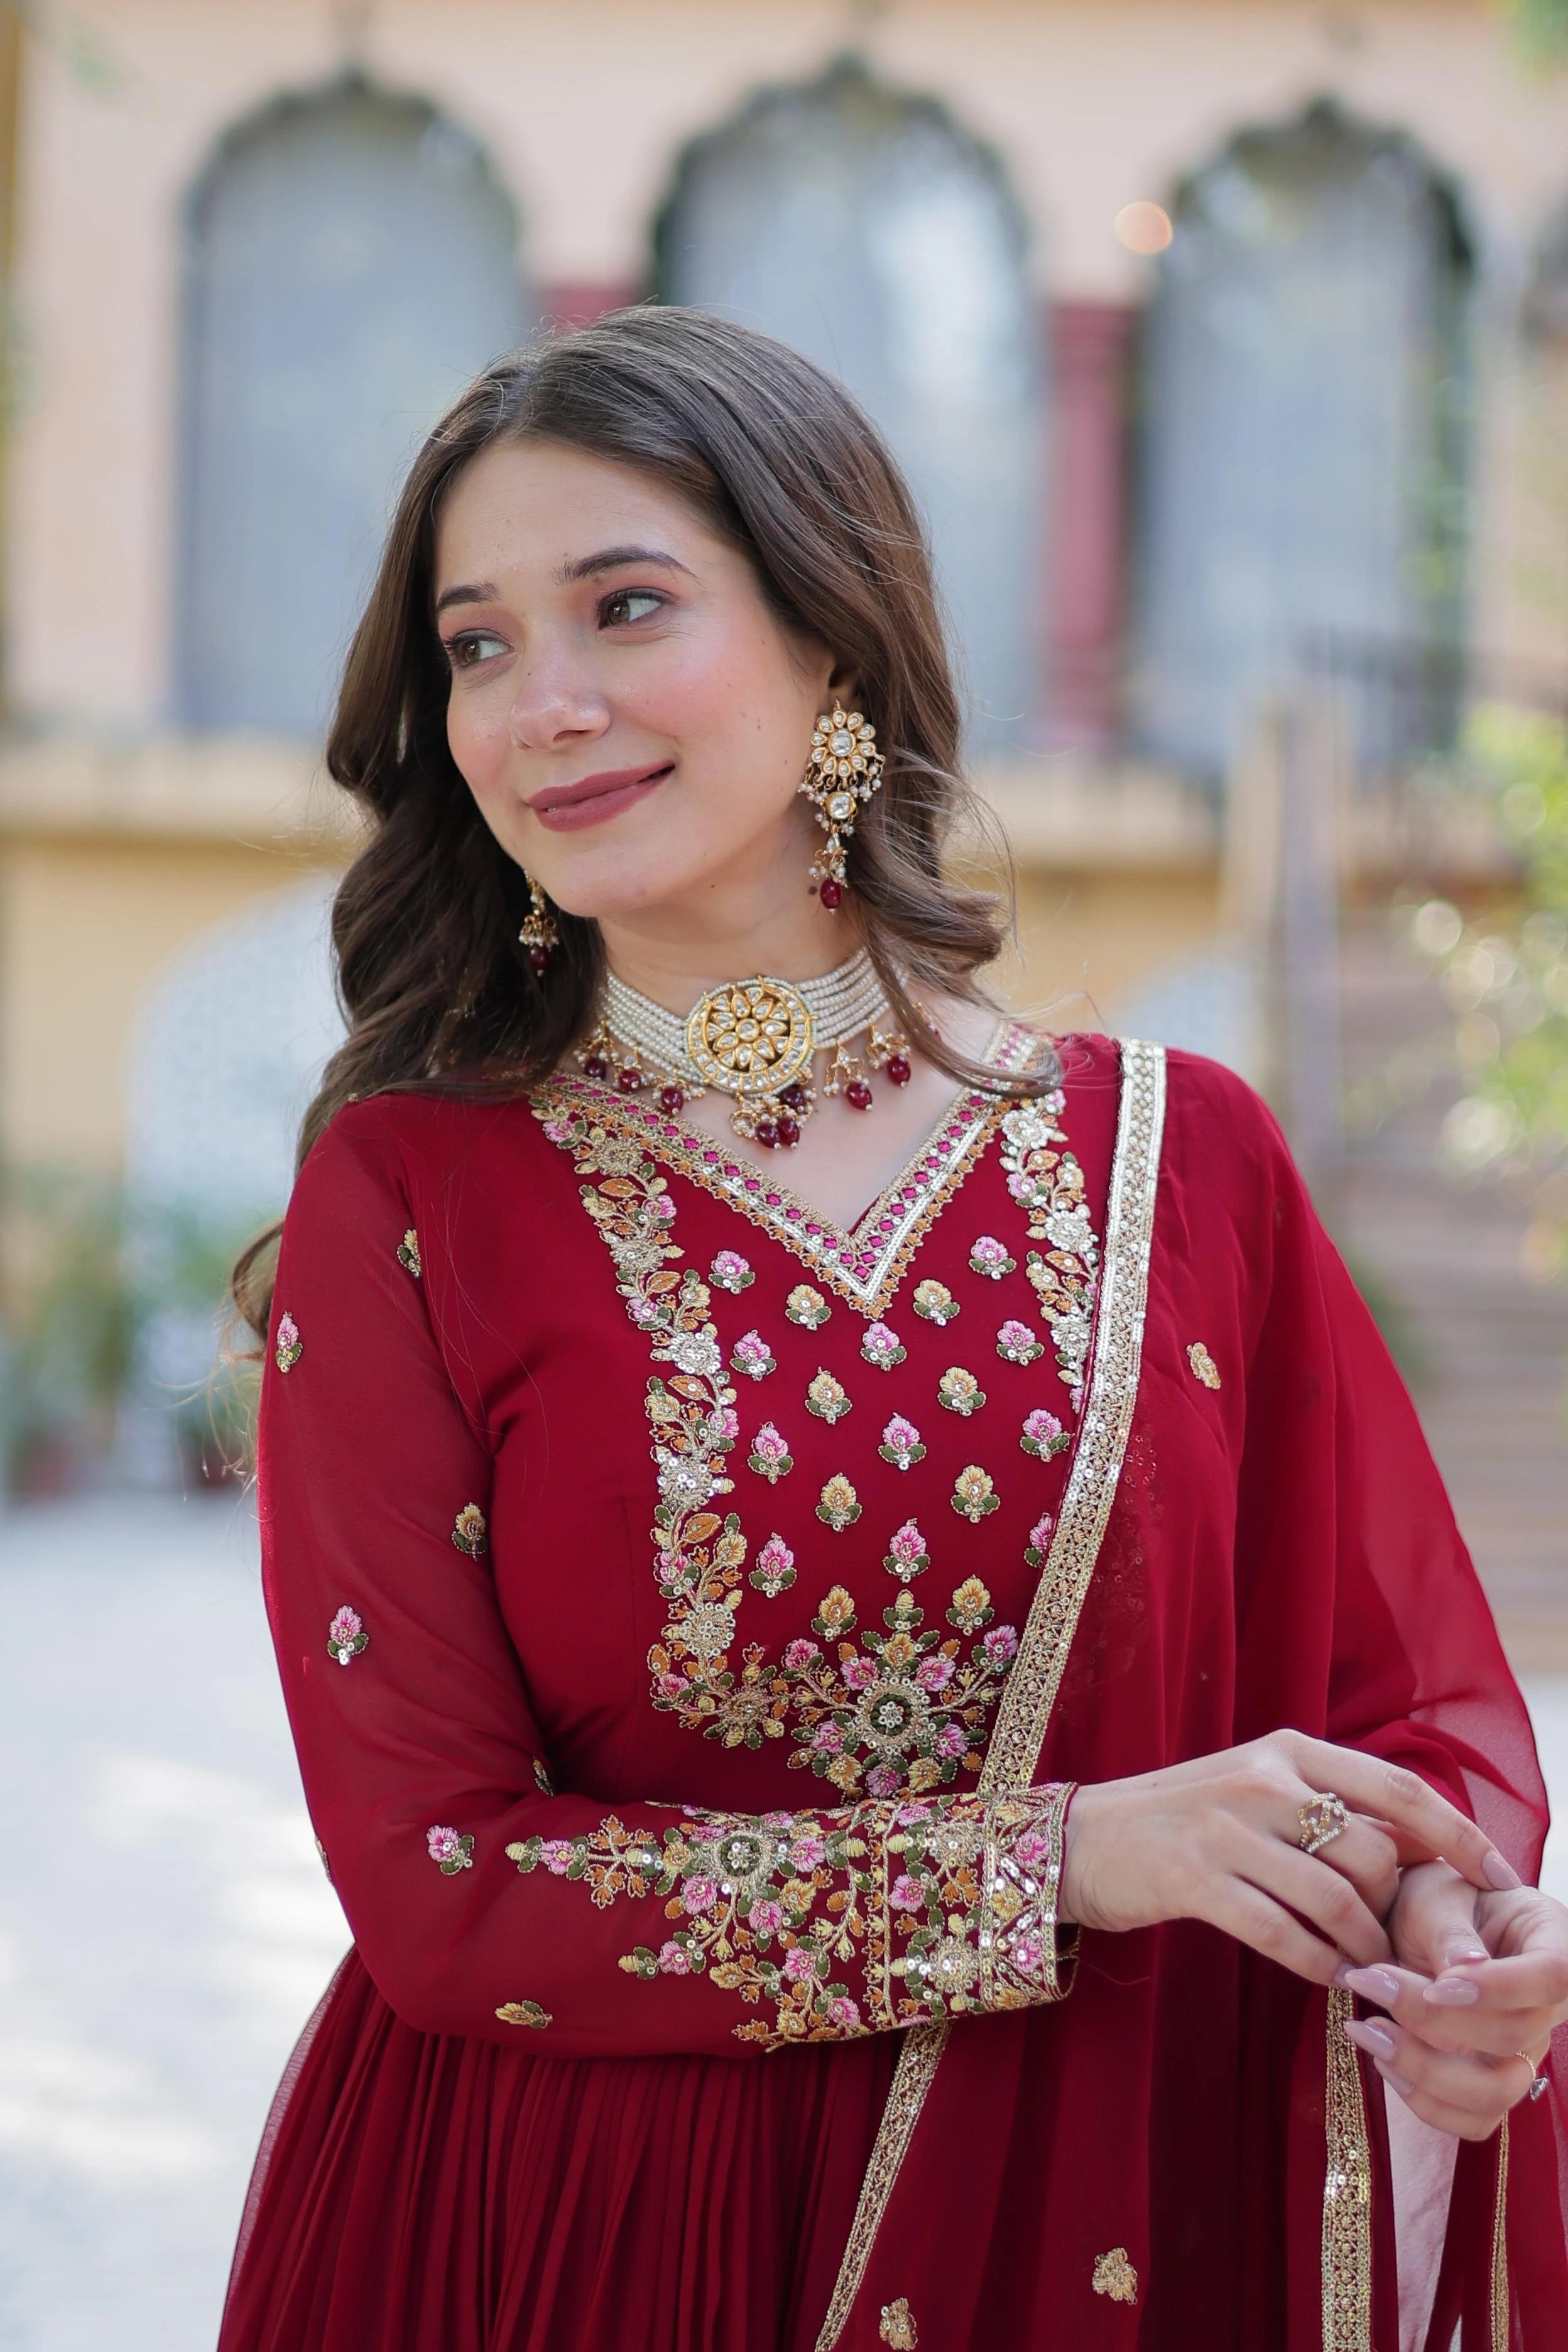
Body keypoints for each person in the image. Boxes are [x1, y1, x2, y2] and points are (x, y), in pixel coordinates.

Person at [220, 308, 1568, 2352]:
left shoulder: (1178, 1160)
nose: (543, 703)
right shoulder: (415, 1199)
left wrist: (1447, 1937)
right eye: (477, 643)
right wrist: (1059, 1866)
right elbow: (440, 1889)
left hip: (1116, 2202)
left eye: (628, 606)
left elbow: (1404, 1713)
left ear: (832, 643)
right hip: (606, 2237)